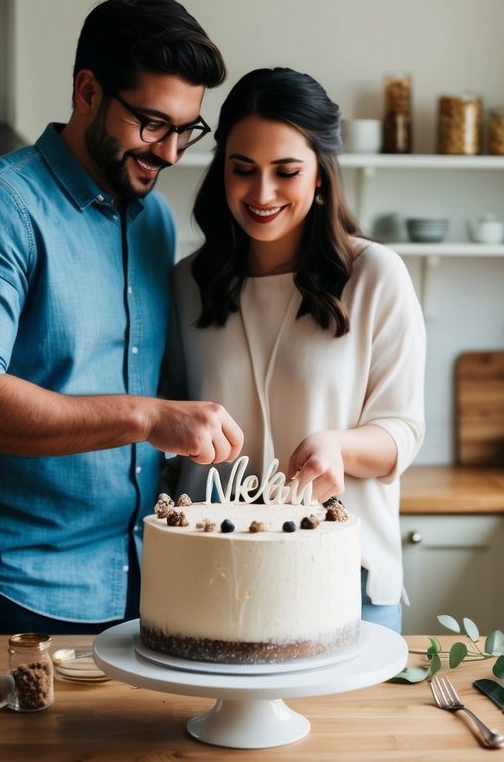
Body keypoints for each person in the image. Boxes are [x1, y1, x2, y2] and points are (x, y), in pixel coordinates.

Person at [0, 0, 243, 635]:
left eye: (186, 129)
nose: (171, 152)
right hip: (11, 585)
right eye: (152, 123)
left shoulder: (154, 221)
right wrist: (148, 417)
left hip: (139, 586)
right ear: (88, 91)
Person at [168, 67, 426, 632]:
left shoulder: (375, 275)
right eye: (242, 171)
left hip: (343, 574)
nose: (262, 194)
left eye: (286, 172)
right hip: (211, 577)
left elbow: (402, 431)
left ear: (320, 178)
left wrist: (341, 447)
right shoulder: (186, 284)